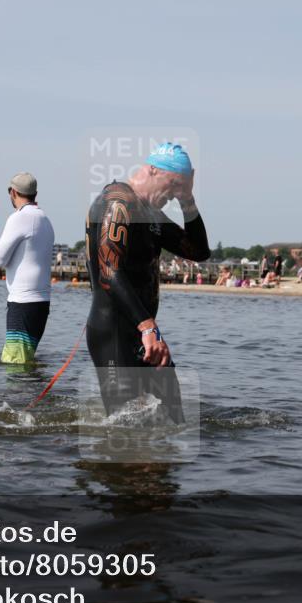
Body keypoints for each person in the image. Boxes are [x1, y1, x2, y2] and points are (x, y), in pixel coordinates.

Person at [84, 143, 210, 422]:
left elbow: (198, 251)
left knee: (174, 418)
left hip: (145, 333)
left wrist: (187, 200)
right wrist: (147, 325)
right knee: (125, 428)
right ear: (152, 169)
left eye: (181, 188)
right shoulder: (117, 203)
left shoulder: (150, 212)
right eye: (172, 185)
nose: (172, 194)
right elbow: (109, 270)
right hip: (114, 331)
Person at [0, 172, 55, 364]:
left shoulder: (19, 218)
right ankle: (35, 394)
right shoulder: (44, 220)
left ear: (13, 192)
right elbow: (10, 255)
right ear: (34, 193)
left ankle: (23, 396)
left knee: (15, 366)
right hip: (40, 304)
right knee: (26, 363)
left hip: (23, 304)